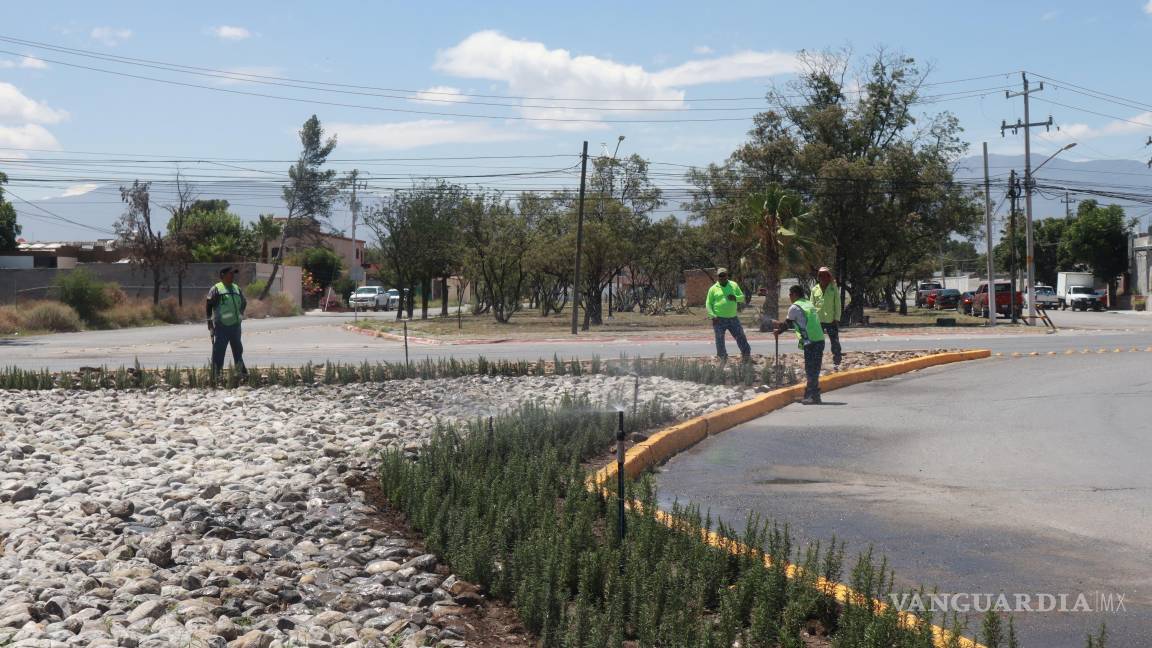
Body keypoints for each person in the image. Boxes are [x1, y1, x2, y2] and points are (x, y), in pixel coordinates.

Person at [773, 284, 825, 404]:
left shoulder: (794, 307)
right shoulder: (808, 303)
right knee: (814, 369)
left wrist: (778, 331)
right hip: (819, 339)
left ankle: (812, 396)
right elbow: (796, 322)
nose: (789, 296)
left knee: (810, 369)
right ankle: (813, 395)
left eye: (790, 294)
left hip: (810, 341)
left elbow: (787, 324)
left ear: (795, 294)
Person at [206, 266, 248, 377]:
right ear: (223, 275)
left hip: (235, 326)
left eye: (233, 274)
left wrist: (240, 314)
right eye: (230, 274)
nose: (233, 276)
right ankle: (216, 375)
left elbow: (244, 302)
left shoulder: (236, 288)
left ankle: (241, 373)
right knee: (219, 351)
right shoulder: (216, 289)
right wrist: (209, 321)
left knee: (238, 350)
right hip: (222, 326)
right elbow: (209, 304)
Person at [706, 268, 752, 363]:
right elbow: (708, 303)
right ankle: (723, 358)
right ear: (717, 277)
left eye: (724, 275)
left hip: (733, 318)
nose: (722, 277)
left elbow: (742, 298)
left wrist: (735, 297)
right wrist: (712, 315)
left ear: (727, 275)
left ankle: (746, 355)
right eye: (720, 276)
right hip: (718, 319)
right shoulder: (713, 289)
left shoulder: (733, 285)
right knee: (719, 339)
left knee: (740, 336)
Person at [810, 266, 843, 368]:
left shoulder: (833, 288)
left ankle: (837, 361)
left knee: (835, 342)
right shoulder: (815, 289)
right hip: (818, 320)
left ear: (829, 277)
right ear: (819, 277)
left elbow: (837, 304)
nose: (823, 277)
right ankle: (817, 361)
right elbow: (811, 305)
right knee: (818, 342)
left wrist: (837, 318)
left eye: (825, 275)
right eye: (821, 275)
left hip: (831, 320)